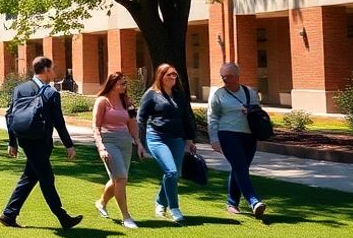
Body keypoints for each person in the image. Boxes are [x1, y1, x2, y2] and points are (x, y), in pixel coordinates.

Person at [0, 56, 83, 230]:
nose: (54, 72)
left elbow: (10, 116)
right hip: (41, 142)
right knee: (47, 178)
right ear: (45, 70)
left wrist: (13, 142)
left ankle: (9, 214)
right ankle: (63, 217)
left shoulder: (20, 89)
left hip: (25, 139)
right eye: (52, 69)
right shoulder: (50, 93)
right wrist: (69, 145)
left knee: (30, 177)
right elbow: (58, 122)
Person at [137, 63, 198, 224]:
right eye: (169, 74)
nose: (173, 77)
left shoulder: (179, 95)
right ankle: (175, 208)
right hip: (156, 138)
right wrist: (140, 143)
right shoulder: (151, 94)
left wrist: (190, 139)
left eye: (174, 75)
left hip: (177, 139)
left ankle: (160, 202)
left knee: (173, 174)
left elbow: (186, 118)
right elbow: (140, 119)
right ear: (160, 76)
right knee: (171, 171)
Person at [209, 62, 267, 218]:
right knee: (240, 166)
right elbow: (213, 117)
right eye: (222, 77)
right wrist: (214, 139)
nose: (225, 80)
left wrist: (250, 111)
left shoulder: (249, 92)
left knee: (239, 168)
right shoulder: (218, 94)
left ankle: (232, 203)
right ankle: (253, 201)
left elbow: (259, 112)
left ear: (237, 76)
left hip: (249, 135)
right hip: (227, 134)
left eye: (228, 76)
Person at [92, 72, 145, 228]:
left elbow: (133, 123)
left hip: (125, 143)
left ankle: (101, 203)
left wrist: (138, 142)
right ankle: (126, 217)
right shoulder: (102, 101)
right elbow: (95, 126)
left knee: (118, 179)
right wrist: (101, 147)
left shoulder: (128, 102)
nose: (124, 86)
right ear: (112, 84)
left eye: (125, 83)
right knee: (121, 178)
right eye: (121, 83)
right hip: (109, 142)